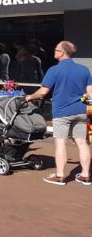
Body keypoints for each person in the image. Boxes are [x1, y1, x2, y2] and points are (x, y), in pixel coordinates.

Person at [26, 40, 92, 186]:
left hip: (62, 112)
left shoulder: (54, 70)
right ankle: (86, 175)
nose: (54, 51)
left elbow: (43, 92)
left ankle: (60, 176)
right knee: (82, 143)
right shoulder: (84, 70)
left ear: (62, 53)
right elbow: (90, 93)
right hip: (81, 111)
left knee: (60, 143)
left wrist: (29, 97)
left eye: (56, 49)